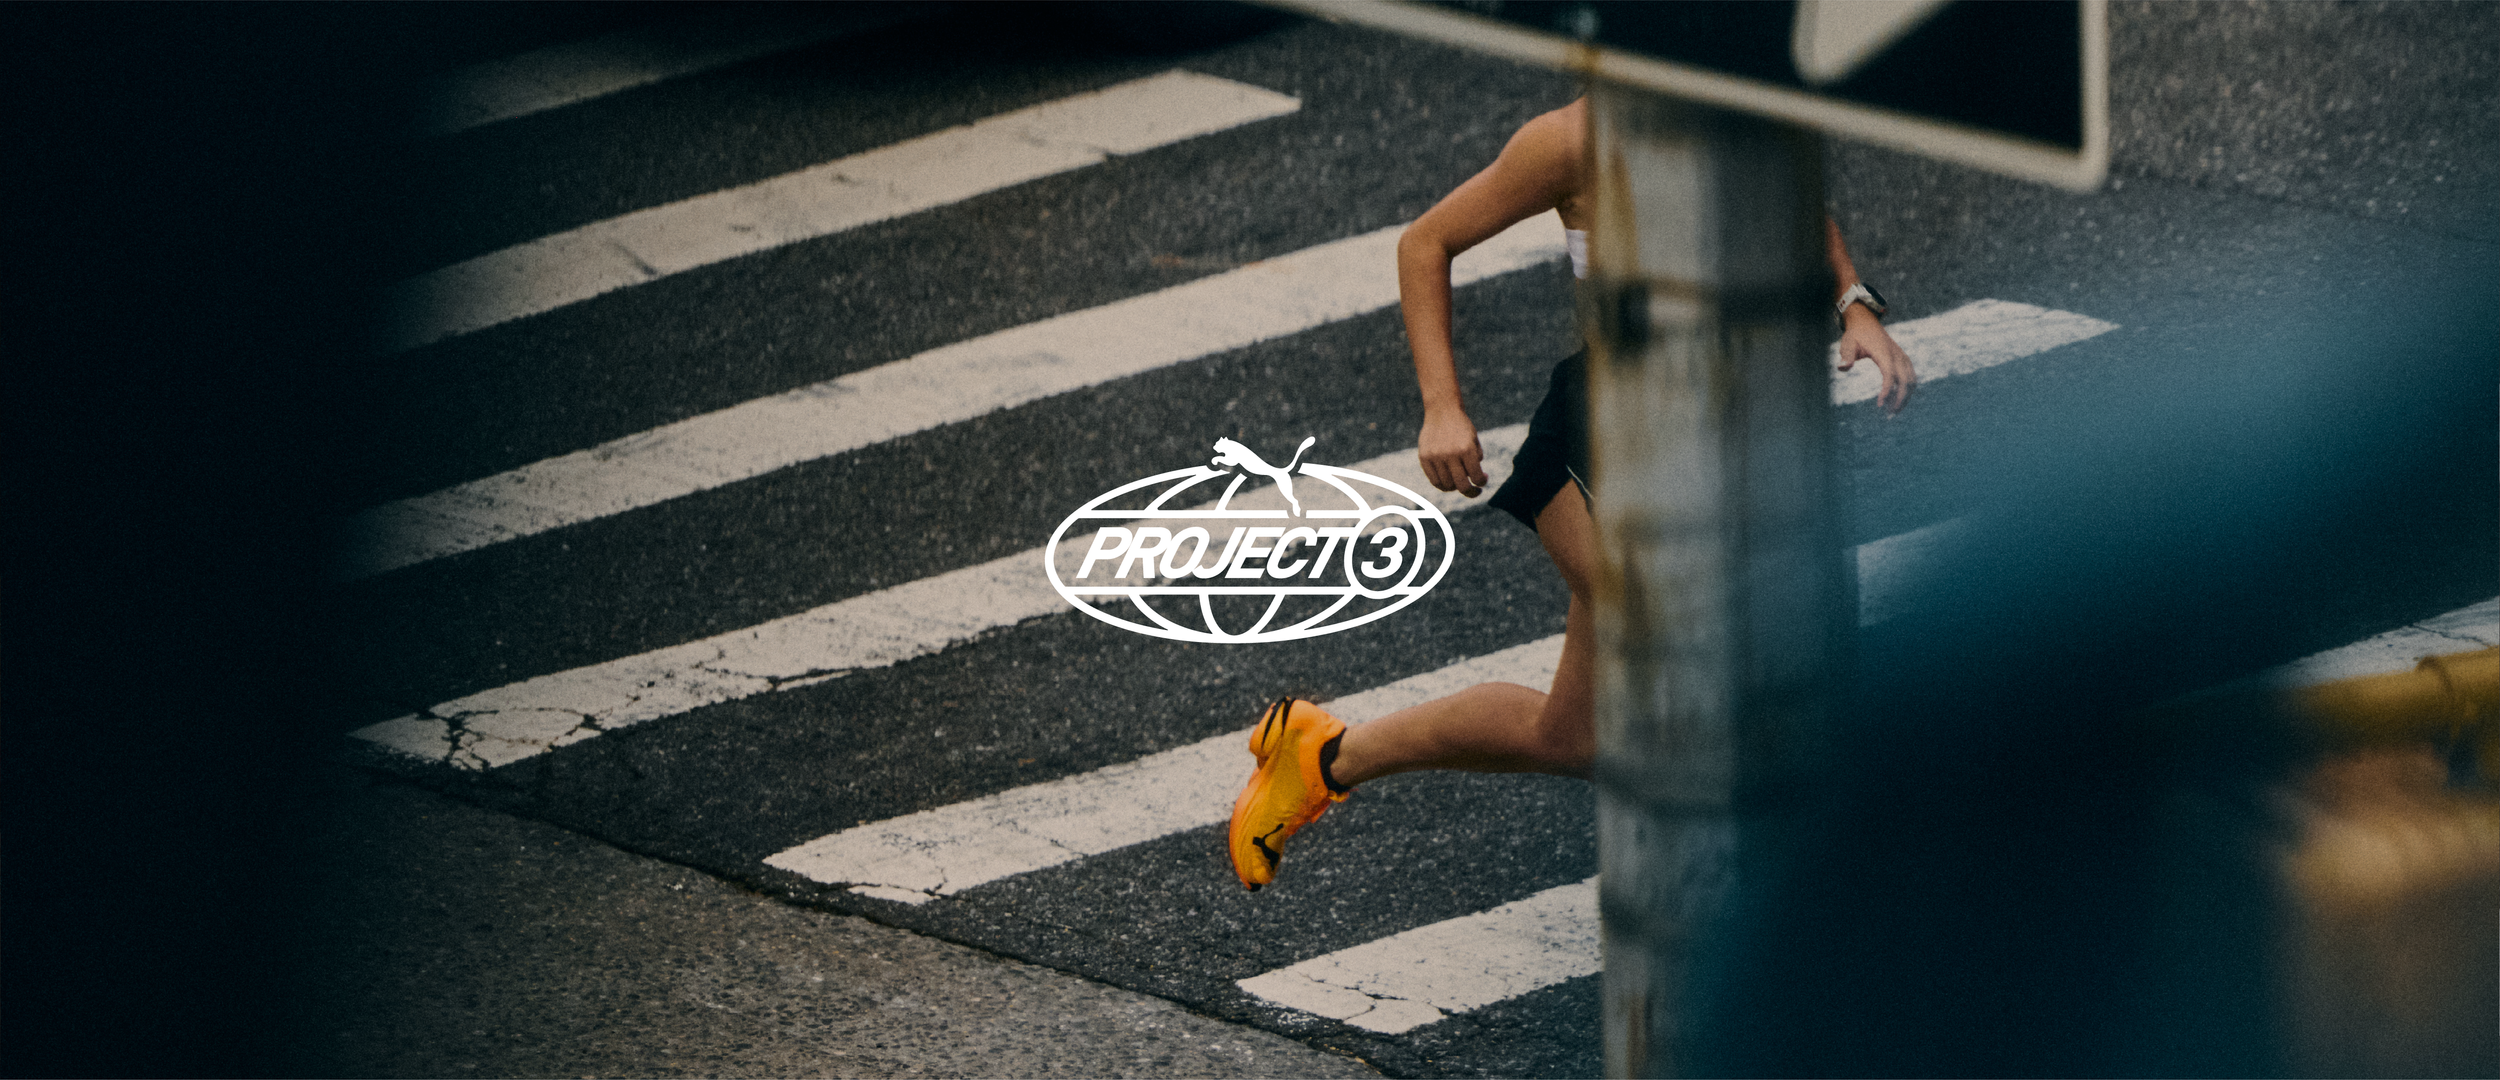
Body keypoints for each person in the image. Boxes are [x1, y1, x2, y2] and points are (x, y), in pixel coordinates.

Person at [1227, 97, 1916, 891]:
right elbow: (1427, 243)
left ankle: (1317, 758)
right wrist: (1443, 406)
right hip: (1603, 436)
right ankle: (1779, 904)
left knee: (1575, 737)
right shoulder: (1570, 143)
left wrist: (1854, 307)